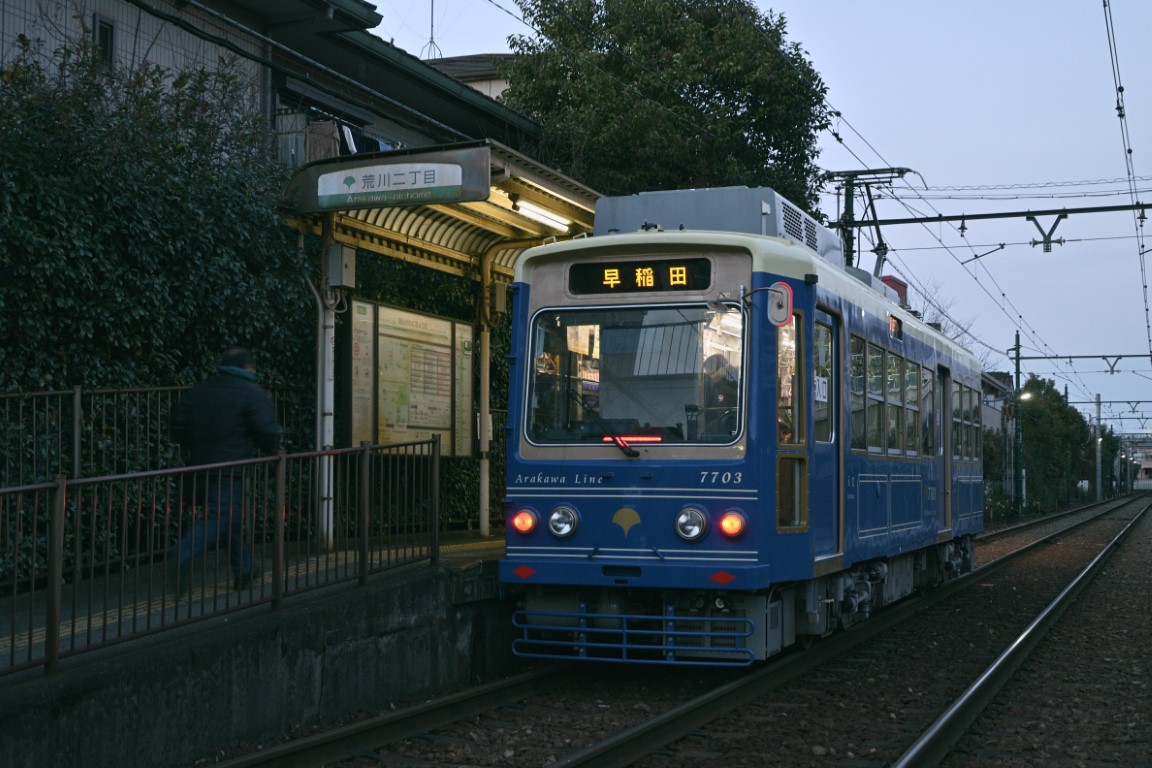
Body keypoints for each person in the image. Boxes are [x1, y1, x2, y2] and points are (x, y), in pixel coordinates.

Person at [168, 347, 282, 594]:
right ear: (247, 368)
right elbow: (268, 431)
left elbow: (177, 425)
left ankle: (244, 569)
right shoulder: (252, 393)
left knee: (229, 519)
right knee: (222, 517)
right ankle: (182, 552)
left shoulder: (202, 390)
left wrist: (197, 444)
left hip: (199, 466)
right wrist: (271, 451)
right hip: (229, 469)